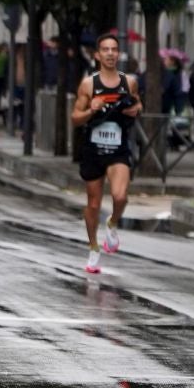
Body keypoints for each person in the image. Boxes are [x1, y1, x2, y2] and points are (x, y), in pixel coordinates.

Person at [71, 33, 142, 276]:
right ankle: (93, 248)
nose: (110, 53)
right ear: (98, 55)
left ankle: (112, 224)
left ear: (118, 54)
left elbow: (138, 103)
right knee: (93, 204)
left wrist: (135, 110)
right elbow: (75, 118)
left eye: (114, 49)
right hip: (93, 150)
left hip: (118, 148)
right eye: (105, 49)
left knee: (121, 196)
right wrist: (91, 110)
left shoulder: (128, 82)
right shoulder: (88, 85)